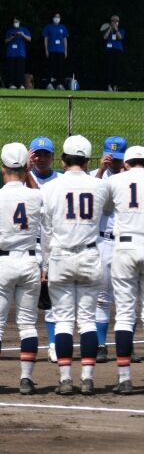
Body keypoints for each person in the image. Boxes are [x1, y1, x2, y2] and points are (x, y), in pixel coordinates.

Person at [42, 135, 113, 395]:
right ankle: (87, 378)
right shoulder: (100, 186)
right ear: (88, 161)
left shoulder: (50, 187)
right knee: (87, 322)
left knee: (62, 321)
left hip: (60, 255)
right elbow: (106, 211)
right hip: (90, 255)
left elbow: (46, 230)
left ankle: (64, 379)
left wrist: (45, 265)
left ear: (62, 160)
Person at [0, 143, 43, 395]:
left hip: (3, 262)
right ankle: (26, 379)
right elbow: (41, 198)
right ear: (26, 167)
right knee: (27, 324)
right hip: (30, 262)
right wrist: (28, 173)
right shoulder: (36, 195)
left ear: (2, 168)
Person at [108, 145, 144, 394]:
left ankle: (124, 378)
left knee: (124, 314)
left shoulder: (117, 180)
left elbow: (106, 211)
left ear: (126, 163)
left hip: (125, 248)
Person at [91, 136, 127, 364]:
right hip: (103, 241)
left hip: (124, 242)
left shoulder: (130, 178)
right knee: (102, 296)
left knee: (126, 298)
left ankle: (127, 345)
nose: (113, 162)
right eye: (110, 158)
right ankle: (101, 344)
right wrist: (100, 172)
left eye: (117, 159)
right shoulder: (95, 176)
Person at [27, 136, 61, 363]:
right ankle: (27, 345)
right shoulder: (17, 179)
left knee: (53, 297)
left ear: (53, 156)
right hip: (28, 245)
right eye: (37, 154)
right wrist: (25, 172)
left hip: (54, 243)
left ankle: (53, 344)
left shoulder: (61, 180)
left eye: (46, 154)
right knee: (27, 297)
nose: (41, 158)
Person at [43, 12, 68, 90]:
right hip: (51, 50)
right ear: (53, 18)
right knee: (51, 67)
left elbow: (65, 39)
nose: (57, 18)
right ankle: (49, 84)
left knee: (60, 68)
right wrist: (46, 49)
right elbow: (46, 39)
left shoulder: (63, 27)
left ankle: (59, 84)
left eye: (58, 17)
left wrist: (65, 50)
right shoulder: (48, 27)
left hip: (60, 50)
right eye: (55, 17)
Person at [4, 17, 31, 89]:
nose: (15, 23)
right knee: (11, 69)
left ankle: (20, 84)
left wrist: (22, 35)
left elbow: (29, 39)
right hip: (11, 53)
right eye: (14, 22)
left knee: (20, 69)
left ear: (19, 21)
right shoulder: (10, 30)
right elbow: (5, 41)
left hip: (21, 53)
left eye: (16, 21)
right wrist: (12, 37)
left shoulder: (24, 29)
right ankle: (11, 84)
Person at [101, 15, 124, 91]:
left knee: (117, 69)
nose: (115, 22)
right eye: (113, 21)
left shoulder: (121, 30)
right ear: (111, 22)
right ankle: (108, 85)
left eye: (117, 21)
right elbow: (105, 37)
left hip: (118, 51)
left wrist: (116, 30)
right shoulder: (107, 29)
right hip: (109, 51)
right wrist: (110, 28)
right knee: (109, 68)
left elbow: (120, 37)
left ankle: (116, 86)